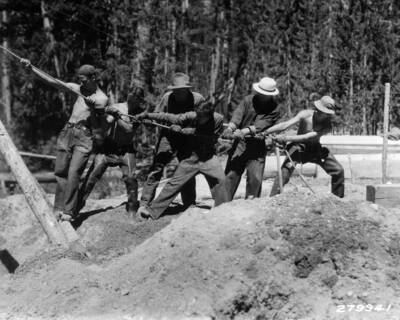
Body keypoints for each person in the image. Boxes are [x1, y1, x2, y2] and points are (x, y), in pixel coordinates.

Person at [20, 59, 108, 221]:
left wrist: (94, 107)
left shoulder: (101, 98)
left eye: (83, 80)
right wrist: (31, 68)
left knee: (74, 172)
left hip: (84, 137)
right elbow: (54, 81)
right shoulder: (78, 89)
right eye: (79, 80)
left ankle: (69, 211)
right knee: (60, 171)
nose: (80, 83)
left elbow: (100, 117)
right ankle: (58, 209)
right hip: (67, 131)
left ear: (93, 78)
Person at [136, 101, 228, 220]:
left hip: (208, 158)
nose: (198, 117)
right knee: (173, 184)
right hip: (190, 158)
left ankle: (224, 211)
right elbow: (169, 117)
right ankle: (152, 212)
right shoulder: (192, 115)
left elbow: (212, 137)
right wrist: (147, 115)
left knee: (221, 180)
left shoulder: (218, 119)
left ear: (209, 115)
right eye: (197, 114)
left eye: (201, 117)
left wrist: (190, 131)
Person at [76, 87, 146, 217]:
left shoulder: (140, 113)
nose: (132, 100)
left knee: (130, 178)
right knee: (91, 177)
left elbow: (129, 130)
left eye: (136, 98)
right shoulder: (117, 106)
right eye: (131, 96)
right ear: (128, 96)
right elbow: (105, 125)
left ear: (140, 100)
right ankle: (75, 209)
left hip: (126, 149)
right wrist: (103, 114)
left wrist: (117, 117)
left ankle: (132, 210)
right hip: (108, 148)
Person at [139, 73, 205, 212]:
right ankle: (144, 203)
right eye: (175, 90)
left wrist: (188, 129)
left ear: (187, 89)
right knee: (156, 168)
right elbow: (158, 116)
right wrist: (150, 121)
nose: (178, 93)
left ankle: (189, 204)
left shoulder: (198, 99)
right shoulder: (167, 98)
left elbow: (205, 121)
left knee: (187, 169)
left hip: (188, 138)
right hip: (168, 137)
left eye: (181, 90)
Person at [264, 95, 344, 198]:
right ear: (318, 109)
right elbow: (285, 124)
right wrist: (265, 132)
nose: (326, 116)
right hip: (298, 148)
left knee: (338, 170)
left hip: (315, 150)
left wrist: (285, 138)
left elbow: (307, 137)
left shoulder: (327, 126)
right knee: (284, 172)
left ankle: (338, 199)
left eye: (328, 114)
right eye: (324, 113)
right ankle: (273, 198)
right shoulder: (305, 115)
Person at [222, 77, 280, 200]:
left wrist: (243, 131)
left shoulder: (274, 108)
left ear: (271, 95)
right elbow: (237, 116)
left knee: (255, 178)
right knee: (231, 175)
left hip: (257, 146)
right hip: (240, 145)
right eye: (261, 93)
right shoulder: (248, 100)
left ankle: (252, 205)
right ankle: (222, 204)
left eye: (265, 94)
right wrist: (230, 129)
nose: (262, 96)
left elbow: (261, 125)